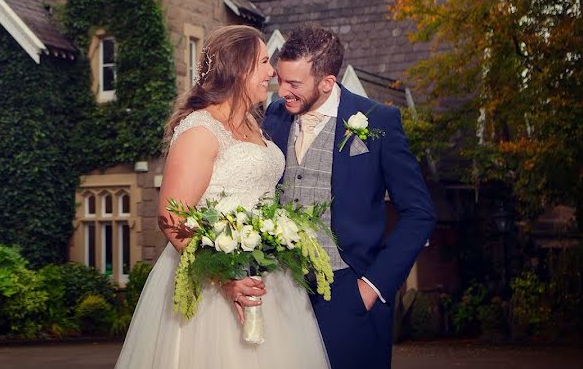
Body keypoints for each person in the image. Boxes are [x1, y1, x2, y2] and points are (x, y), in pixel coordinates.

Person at [115, 25, 331, 369]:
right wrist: (224, 277)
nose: (271, 72)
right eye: (262, 62)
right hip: (211, 284)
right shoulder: (200, 131)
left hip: (269, 276)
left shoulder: (251, 122)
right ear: (238, 68)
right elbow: (172, 217)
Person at [251, 25, 436, 368]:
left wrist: (372, 286)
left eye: (294, 84)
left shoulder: (378, 121)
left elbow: (420, 213)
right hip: (280, 293)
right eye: (280, 79)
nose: (282, 91)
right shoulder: (273, 116)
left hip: (349, 291)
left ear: (327, 82)